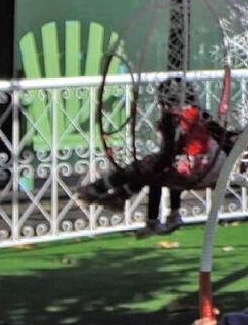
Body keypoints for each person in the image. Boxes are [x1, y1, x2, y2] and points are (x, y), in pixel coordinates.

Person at [81, 77, 233, 235]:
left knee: (147, 169)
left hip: (190, 172)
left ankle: (101, 189)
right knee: (157, 171)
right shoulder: (202, 114)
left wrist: (148, 168)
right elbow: (225, 139)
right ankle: (158, 215)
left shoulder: (172, 119)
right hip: (211, 170)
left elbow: (167, 156)